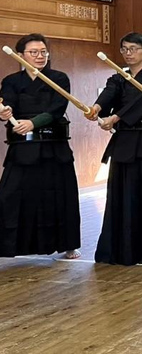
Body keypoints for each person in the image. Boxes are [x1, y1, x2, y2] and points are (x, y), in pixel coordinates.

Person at [86, 32, 142, 265]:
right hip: (124, 143)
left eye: (134, 48)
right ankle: (119, 250)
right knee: (121, 195)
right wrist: (96, 108)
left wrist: (115, 117)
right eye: (124, 48)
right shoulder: (118, 79)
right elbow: (108, 95)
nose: (128, 53)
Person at [0, 33, 80, 259]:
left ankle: (68, 245)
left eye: (43, 52)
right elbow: (7, 104)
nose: (39, 56)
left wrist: (33, 123)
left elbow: (57, 108)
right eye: (33, 52)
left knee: (60, 196)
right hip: (23, 149)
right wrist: (5, 112)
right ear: (20, 55)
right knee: (10, 194)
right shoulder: (11, 81)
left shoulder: (59, 78)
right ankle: (7, 245)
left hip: (54, 147)